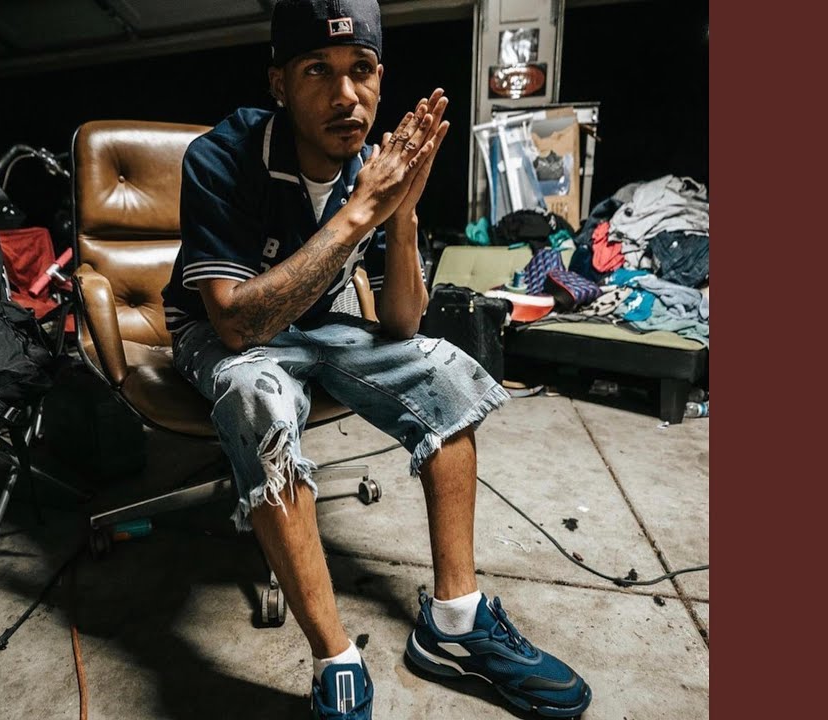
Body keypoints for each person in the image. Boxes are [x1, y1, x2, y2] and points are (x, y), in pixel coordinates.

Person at [160, 1, 592, 717]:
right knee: (259, 397)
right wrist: (360, 211)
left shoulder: (370, 168)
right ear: (279, 84)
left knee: (443, 370)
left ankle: (455, 621)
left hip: (320, 325)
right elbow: (235, 324)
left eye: (361, 70)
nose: (345, 95)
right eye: (317, 71)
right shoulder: (222, 156)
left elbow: (401, 323)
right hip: (220, 331)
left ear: (381, 78)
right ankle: (335, 656)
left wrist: (404, 214)